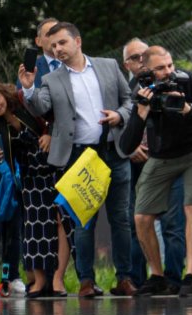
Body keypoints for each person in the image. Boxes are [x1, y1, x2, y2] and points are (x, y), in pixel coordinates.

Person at [20, 21, 136, 298]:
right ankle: (86, 281)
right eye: (54, 44)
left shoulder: (108, 66)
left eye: (62, 42)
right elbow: (40, 106)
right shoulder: (50, 79)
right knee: (83, 221)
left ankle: (124, 278)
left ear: (78, 41)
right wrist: (28, 89)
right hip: (78, 156)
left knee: (121, 219)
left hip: (113, 151)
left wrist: (120, 116)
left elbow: (129, 99)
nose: (57, 48)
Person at [116, 46, 192, 295]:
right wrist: (140, 113)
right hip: (160, 157)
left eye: (170, 65)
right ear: (146, 70)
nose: (168, 71)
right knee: (141, 216)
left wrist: (189, 110)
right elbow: (126, 145)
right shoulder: (141, 90)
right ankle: (156, 275)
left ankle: (189, 275)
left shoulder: (188, 80)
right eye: (160, 68)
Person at [0, 78, 63, 297]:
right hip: (16, 181)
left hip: (47, 173)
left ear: (3, 93)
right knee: (14, 231)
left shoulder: (24, 103)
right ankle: (6, 278)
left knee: (45, 228)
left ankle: (30, 277)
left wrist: (50, 134)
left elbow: (54, 118)